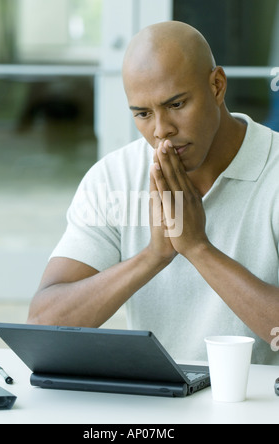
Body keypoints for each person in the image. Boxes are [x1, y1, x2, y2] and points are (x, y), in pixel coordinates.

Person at [27, 21, 279, 364]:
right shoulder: (114, 177)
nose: (162, 131)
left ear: (217, 86)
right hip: (157, 407)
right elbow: (44, 323)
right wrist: (153, 255)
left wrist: (197, 247)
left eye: (176, 104)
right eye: (144, 114)